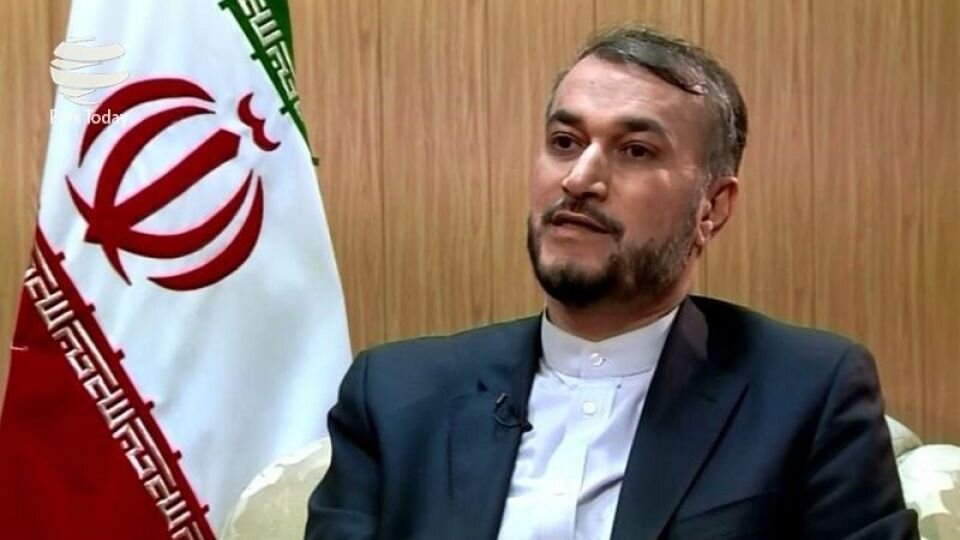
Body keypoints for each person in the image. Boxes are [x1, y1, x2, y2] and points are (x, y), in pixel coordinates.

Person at [305, 24, 917, 540]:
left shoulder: (807, 393)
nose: (579, 179)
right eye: (564, 142)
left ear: (712, 207)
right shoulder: (395, 396)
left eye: (635, 151)